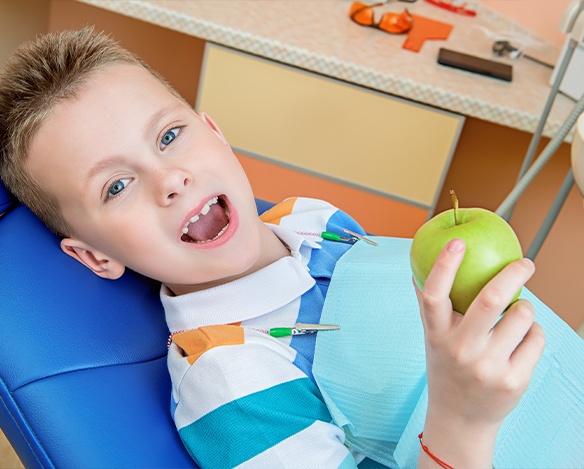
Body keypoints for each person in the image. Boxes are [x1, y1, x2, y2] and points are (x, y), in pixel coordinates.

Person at [0, 28, 545, 468]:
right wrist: (463, 423)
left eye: (169, 136)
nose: (169, 178)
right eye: (116, 187)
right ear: (96, 256)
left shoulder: (312, 220)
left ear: (214, 131)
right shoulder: (231, 378)